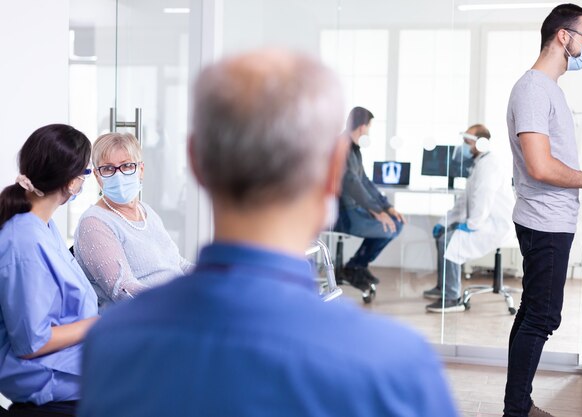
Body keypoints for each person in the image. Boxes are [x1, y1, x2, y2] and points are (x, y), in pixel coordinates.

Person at [78, 49, 459, 417]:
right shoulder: (396, 366)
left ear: (196, 163)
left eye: (126, 166)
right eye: (108, 169)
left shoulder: (113, 343)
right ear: (333, 173)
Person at [505, 4, 582, 416]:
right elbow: (539, 165)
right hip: (544, 222)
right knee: (542, 317)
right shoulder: (535, 89)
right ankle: (516, 411)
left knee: (531, 314)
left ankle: (518, 404)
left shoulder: (547, 89)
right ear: (563, 36)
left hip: (547, 219)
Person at [0, 124, 99, 416]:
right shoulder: (23, 242)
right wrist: (95, 325)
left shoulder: (44, 226)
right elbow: (32, 343)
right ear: (71, 182)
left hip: (74, 372)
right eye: (87, 173)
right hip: (50, 387)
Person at [73, 132, 193, 309]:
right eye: (108, 168)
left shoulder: (147, 212)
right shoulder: (94, 224)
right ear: (98, 177)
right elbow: (123, 290)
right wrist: (179, 302)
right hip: (145, 319)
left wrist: (212, 277)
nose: (118, 175)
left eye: (127, 165)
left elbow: (177, 263)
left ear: (141, 170)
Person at [423, 124, 515, 313]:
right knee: (443, 234)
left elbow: (484, 198)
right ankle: (443, 287)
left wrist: (471, 225)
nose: (463, 146)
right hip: (482, 220)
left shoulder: (490, 165)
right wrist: (444, 222)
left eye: (467, 142)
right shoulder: (479, 164)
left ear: (481, 143)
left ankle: (452, 297)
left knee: (449, 241)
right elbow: (464, 201)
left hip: (495, 225)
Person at [333, 106, 405, 288]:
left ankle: (358, 265)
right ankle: (354, 267)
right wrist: (376, 211)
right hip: (343, 213)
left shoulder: (355, 150)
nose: (369, 131)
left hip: (355, 208)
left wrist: (387, 207)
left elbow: (365, 181)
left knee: (397, 222)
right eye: (369, 127)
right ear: (363, 126)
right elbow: (352, 183)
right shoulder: (342, 146)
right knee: (390, 227)